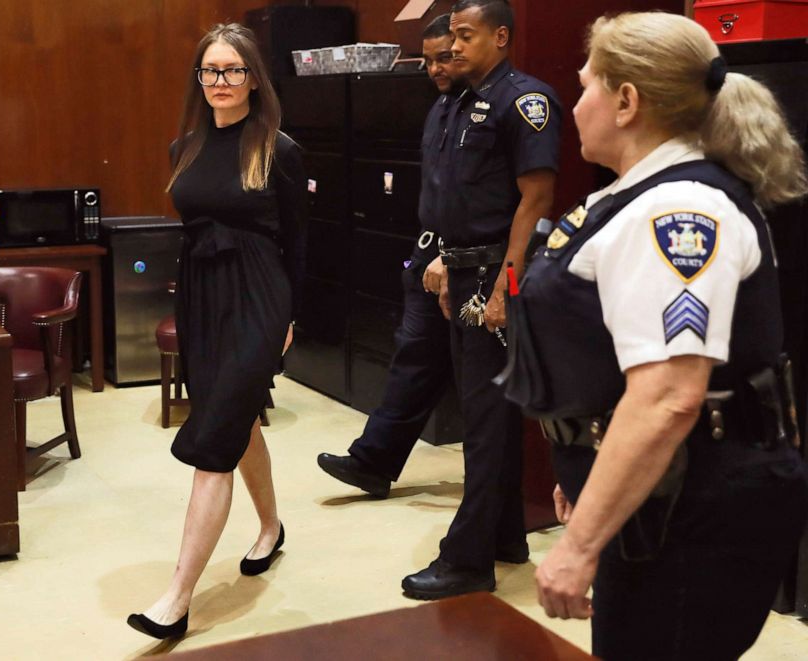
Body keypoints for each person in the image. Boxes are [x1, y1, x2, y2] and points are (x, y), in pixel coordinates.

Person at [500, 12, 808, 660]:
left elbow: (669, 396)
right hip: (657, 494)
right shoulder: (632, 196)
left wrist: (580, 543)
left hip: (695, 509)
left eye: (584, 86)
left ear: (626, 100)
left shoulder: (677, 213)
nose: (574, 104)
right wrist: (586, 464)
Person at [126, 23, 306, 640]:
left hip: (259, 296)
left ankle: (176, 600)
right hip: (204, 296)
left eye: (232, 70)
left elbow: (302, 245)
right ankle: (272, 527)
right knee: (239, 419)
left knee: (214, 439)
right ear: (198, 80)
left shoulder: (279, 149)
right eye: (210, 71)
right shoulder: (186, 148)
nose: (220, 82)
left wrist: (289, 317)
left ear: (254, 78)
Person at [400, 0, 561, 601]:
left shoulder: (526, 101)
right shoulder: (457, 102)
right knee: (487, 415)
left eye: (466, 37)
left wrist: (503, 289)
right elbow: (454, 200)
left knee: (488, 425)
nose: (456, 47)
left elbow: (535, 200)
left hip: (501, 275)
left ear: (501, 36)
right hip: (466, 272)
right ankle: (505, 537)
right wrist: (447, 262)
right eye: (452, 38)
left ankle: (466, 560)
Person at [316, 14, 466, 499]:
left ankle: (502, 491)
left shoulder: (493, 108)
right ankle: (373, 462)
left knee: (475, 379)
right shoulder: (441, 108)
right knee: (414, 359)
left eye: (445, 57)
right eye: (428, 61)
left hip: (470, 261)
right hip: (429, 254)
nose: (436, 69)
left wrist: (452, 254)